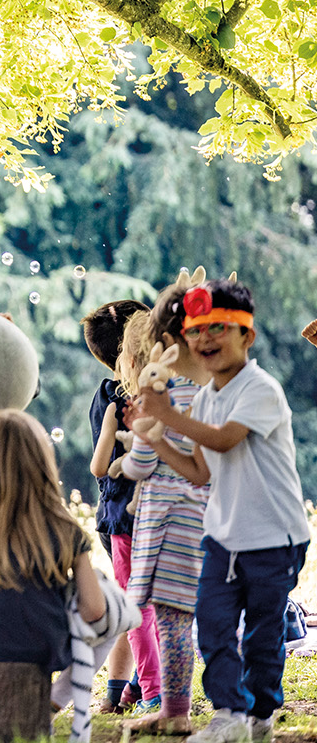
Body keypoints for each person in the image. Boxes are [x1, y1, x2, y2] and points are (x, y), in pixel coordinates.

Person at [137, 277, 308, 743]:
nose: (204, 339)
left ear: (246, 336)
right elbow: (200, 470)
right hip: (223, 537)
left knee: (261, 636)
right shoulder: (208, 398)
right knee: (212, 626)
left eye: (218, 328)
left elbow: (225, 439)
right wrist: (156, 441)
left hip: (274, 537)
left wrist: (167, 413)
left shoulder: (261, 389)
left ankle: (261, 715)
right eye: (195, 330)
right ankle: (229, 713)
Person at [0, 409, 110, 669]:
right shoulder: (64, 529)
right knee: (114, 603)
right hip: (47, 651)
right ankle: (57, 699)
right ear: (43, 462)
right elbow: (94, 609)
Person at [117, 296, 210, 736]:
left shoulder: (159, 393)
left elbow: (141, 464)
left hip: (166, 523)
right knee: (189, 617)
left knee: (172, 622)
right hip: (203, 518)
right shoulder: (211, 392)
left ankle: (175, 711)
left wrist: (124, 459)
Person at [82, 298, 160, 715]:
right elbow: (104, 467)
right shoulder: (120, 400)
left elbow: (102, 468)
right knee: (140, 608)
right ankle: (129, 690)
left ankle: (136, 690)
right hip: (131, 519)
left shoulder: (127, 398)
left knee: (139, 607)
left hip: (136, 519)